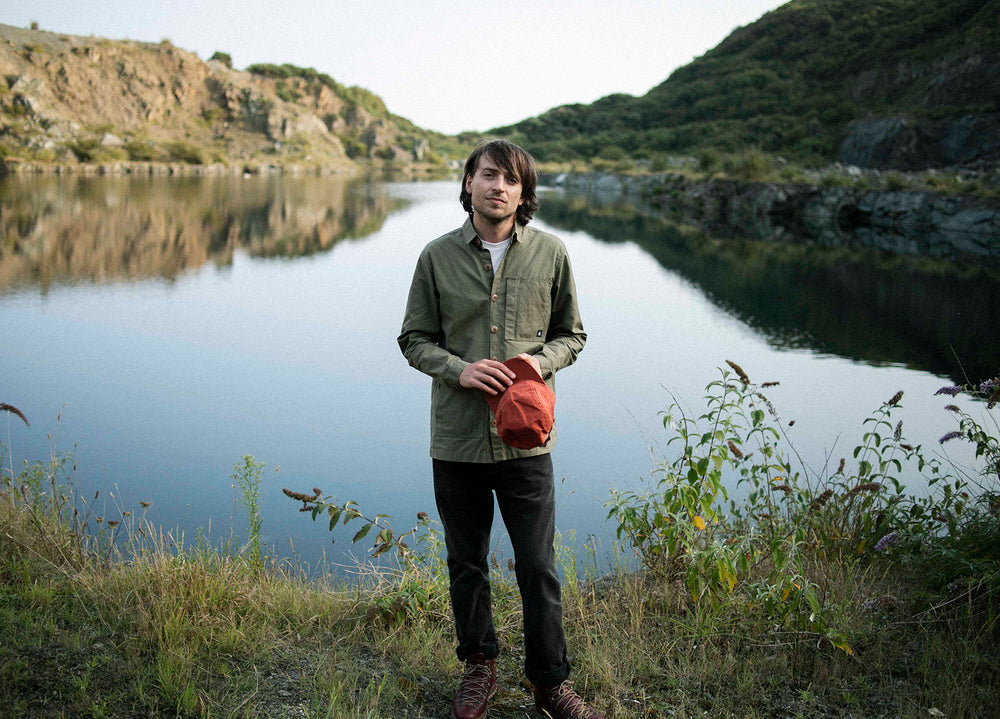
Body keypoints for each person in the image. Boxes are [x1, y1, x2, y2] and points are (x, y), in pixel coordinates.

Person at [398, 139, 603, 719]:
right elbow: (414, 340)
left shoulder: (553, 254)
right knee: (467, 562)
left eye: (510, 180)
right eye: (487, 176)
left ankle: (549, 684)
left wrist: (540, 362)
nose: (498, 187)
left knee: (537, 565)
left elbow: (574, 335)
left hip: (527, 441)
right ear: (468, 184)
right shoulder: (435, 257)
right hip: (458, 440)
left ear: (523, 193)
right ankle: (478, 668)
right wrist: (458, 370)